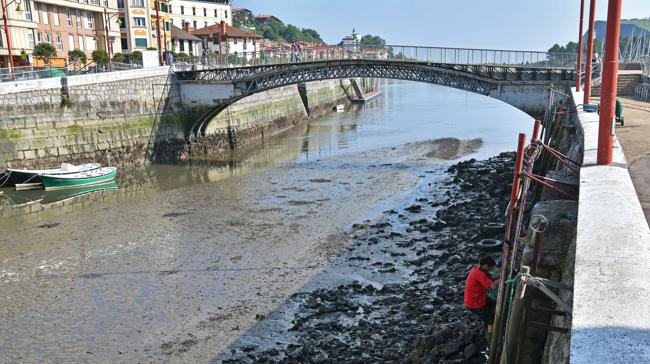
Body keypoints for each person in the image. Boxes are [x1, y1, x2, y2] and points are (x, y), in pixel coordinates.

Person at [464, 256, 499, 333]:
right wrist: (501, 279)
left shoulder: (477, 268)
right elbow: (493, 286)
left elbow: (492, 276)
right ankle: (491, 336)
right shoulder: (479, 273)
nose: (490, 269)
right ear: (485, 265)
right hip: (475, 303)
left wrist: (500, 275)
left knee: (495, 305)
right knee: (491, 321)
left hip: (479, 298)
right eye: (489, 267)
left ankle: (486, 321)